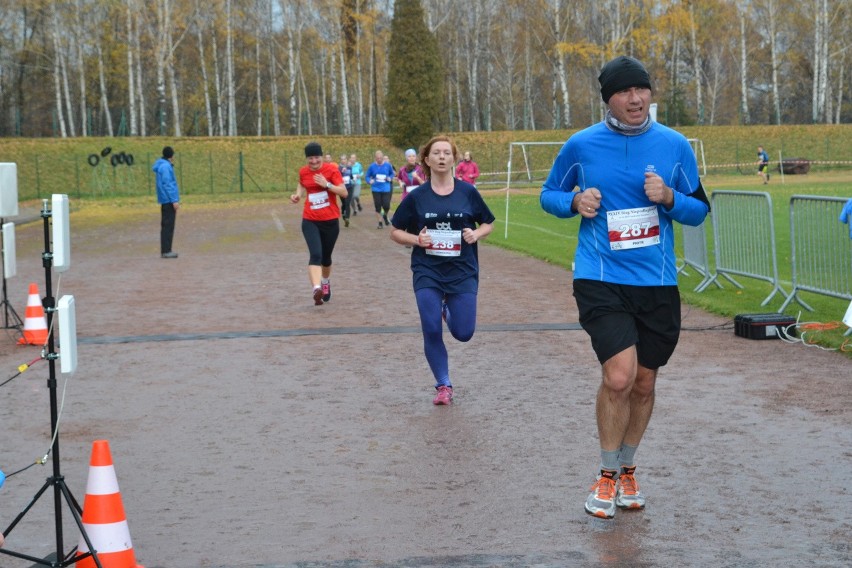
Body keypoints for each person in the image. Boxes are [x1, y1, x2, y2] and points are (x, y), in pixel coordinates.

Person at [540, 55, 710, 519]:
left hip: (656, 282)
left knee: (645, 381)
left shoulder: (674, 145)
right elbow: (548, 195)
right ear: (608, 99)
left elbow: (698, 210)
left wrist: (670, 198)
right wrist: (574, 200)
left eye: (642, 90)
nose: (636, 99)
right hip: (599, 276)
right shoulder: (581, 145)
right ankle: (606, 472)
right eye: (625, 92)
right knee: (619, 376)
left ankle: (629, 465)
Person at [389, 135, 495, 405]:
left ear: (454, 159)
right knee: (431, 327)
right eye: (436, 153)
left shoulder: (467, 192)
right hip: (428, 270)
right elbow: (395, 231)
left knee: (464, 332)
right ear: (426, 159)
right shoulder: (417, 197)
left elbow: (488, 223)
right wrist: (417, 240)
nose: (441, 157)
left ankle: (448, 310)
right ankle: (443, 384)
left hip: (463, 269)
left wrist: (476, 234)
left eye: (447, 153)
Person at [290, 142, 347, 305]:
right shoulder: (303, 171)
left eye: (316, 157)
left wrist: (327, 185)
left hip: (330, 221)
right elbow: (302, 183)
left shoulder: (331, 170)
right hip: (310, 220)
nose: (313, 161)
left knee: (326, 258)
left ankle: (325, 281)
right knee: (315, 254)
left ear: (321, 157)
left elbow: (344, 192)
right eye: (310, 158)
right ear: (306, 159)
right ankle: (316, 289)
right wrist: (297, 195)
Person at [152, 146, 180, 258]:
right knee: (168, 225)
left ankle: (166, 250)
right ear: (171, 156)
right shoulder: (165, 167)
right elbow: (168, 184)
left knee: (166, 225)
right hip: (168, 200)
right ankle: (166, 250)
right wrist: (174, 200)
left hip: (165, 199)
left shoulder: (162, 165)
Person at [366, 150, 395, 229]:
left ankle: (385, 215)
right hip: (376, 188)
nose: (379, 159)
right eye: (377, 158)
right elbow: (367, 176)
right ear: (375, 158)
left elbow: (392, 173)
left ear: (383, 158)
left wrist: (390, 177)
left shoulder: (387, 165)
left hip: (386, 188)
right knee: (378, 206)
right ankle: (380, 222)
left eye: (380, 158)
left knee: (386, 205)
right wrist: (369, 181)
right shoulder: (372, 166)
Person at [339, 154, 354, 227]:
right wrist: (341, 172)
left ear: (346, 160)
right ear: (340, 160)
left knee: (347, 202)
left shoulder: (349, 167)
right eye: (342, 159)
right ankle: (343, 213)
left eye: (344, 159)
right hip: (341, 188)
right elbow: (336, 177)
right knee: (344, 203)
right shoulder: (338, 168)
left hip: (349, 187)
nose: (343, 160)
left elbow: (351, 176)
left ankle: (347, 218)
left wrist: (352, 178)